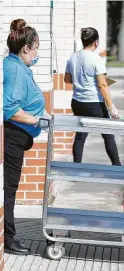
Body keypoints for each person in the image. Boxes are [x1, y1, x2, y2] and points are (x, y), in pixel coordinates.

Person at [4, 18, 47, 255]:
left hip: (19, 137)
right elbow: (10, 109)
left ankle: (8, 235)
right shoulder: (15, 69)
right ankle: (8, 239)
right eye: (37, 47)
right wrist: (38, 120)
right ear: (26, 48)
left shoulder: (18, 66)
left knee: (10, 187)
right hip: (12, 137)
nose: (37, 53)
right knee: (8, 189)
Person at [64, 27, 121, 165]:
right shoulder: (97, 59)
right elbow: (102, 85)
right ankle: (117, 166)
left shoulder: (73, 57)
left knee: (80, 135)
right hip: (94, 103)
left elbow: (67, 79)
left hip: (77, 102)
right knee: (108, 135)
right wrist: (111, 107)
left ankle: (77, 167)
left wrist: (82, 79)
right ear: (96, 42)